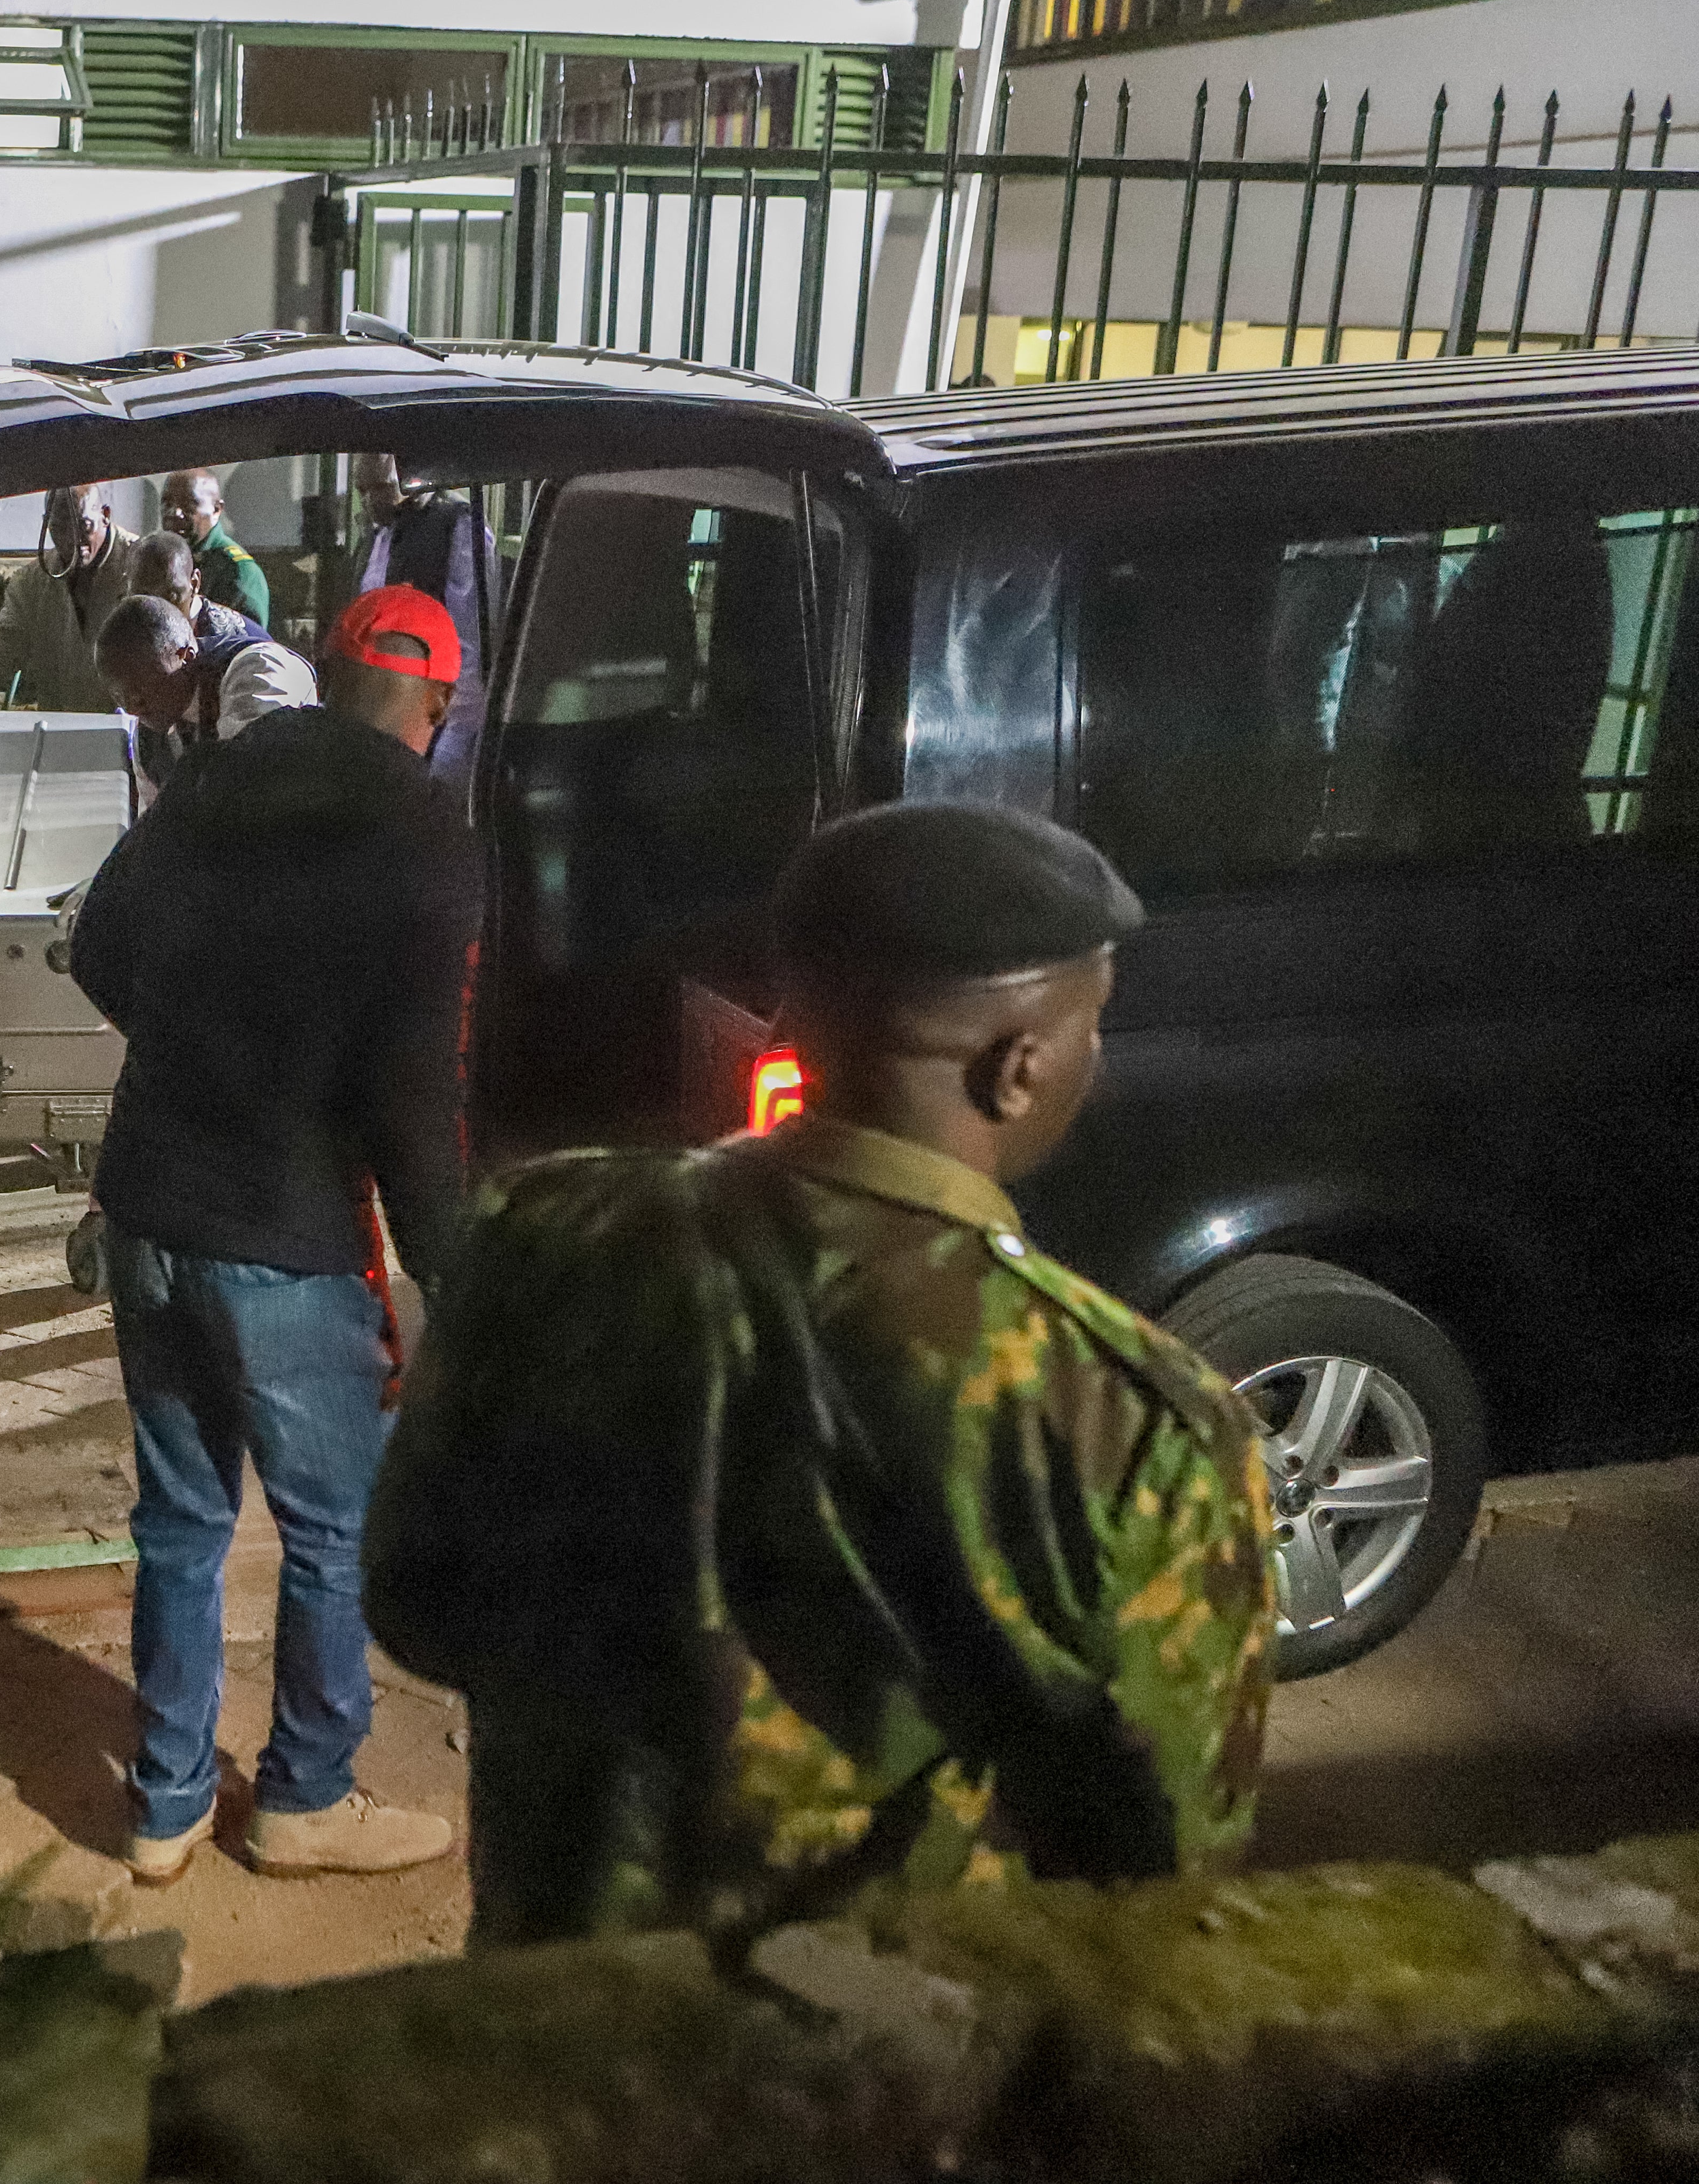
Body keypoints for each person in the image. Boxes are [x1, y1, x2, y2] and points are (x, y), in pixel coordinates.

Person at [366, 801, 1276, 1952]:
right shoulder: (1134, 1426)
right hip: (884, 2086)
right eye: (1093, 1025)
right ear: (1019, 1066)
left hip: (558, 2029)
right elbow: (1166, 1874)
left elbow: (417, 1601)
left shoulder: (541, 1235)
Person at [69, 582, 480, 1887]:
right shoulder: (427, 834)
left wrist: (194, 1049)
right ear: (437, 704)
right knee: (331, 1526)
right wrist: (456, 1282)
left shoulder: (218, 774)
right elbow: (417, 1104)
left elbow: (95, 947)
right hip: (285, 1237)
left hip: (146, 1204)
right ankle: (304, 1796)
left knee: (181, 1518)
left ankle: (168, 1803)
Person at [352, 453, 506, 795]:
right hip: (385, 712)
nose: (369, 500)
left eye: (379, 488)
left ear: (409, 479)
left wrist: (455, 731)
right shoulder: (376, 536)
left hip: (441, 721)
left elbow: (470, 636)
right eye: (362, 489)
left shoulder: (459, 526)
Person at [0, 486, 140, 715]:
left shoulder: (143, 565)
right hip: (61, 733)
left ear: (105, 515)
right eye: (60, 528)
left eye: (84, 526)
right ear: (47, 524)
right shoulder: (32, 583)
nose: (72, 541)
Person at [95, 594, 320, 813]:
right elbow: (156, 830)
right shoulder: (147, 737)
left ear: (186, 655)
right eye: (120, 695)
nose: (133, 708)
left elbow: (251, 793)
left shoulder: (258, 670)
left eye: (139, 686)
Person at [160, 469, 272, 630]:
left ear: (217, 510)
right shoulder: (160, 561)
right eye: (167, 503)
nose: (175, 513)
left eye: (189, 504)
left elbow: (247, 646)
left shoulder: (239, 572)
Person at [127, 530, 266, 653]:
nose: (158, 610)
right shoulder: (124, 635)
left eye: (171, 597)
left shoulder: (236, 645)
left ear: (194, 583)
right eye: (144, 597)